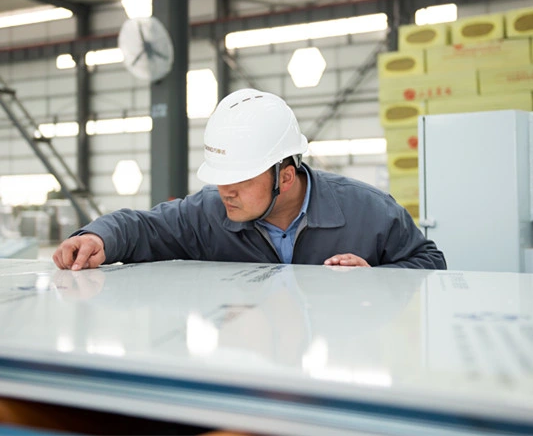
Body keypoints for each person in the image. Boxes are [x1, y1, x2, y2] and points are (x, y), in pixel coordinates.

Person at [53, 88, 446, 271]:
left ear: (285, 177)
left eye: (239, 178)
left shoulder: (367, 211)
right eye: (222, 177)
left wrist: (376, 278)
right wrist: (97, 236)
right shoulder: (210, 212)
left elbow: (430, 261)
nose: (226, 190)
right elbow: (145, 227)